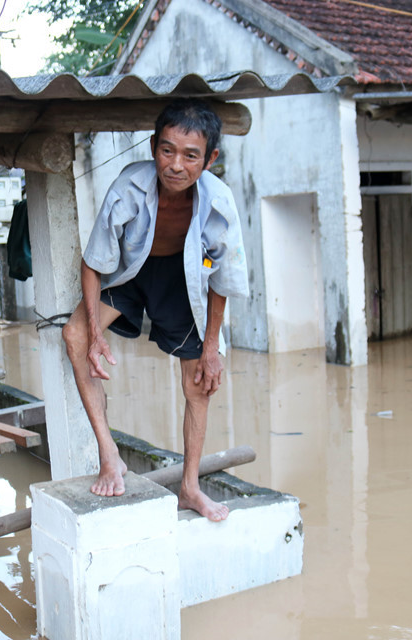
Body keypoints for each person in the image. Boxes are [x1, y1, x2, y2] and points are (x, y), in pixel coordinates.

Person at [61, 98, 248, 522]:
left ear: (210, 158)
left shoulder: (219, 202)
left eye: (190, 155)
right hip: (130, 272)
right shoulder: (130, 187)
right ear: (152, 147)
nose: (176, 165)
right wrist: (94, 336)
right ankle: (110, 456)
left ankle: (189, 488)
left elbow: (223, 279)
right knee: (72, 336)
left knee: (199, 380)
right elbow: (93, 265)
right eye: (167, 150)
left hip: (183, 280)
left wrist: (212, 346)